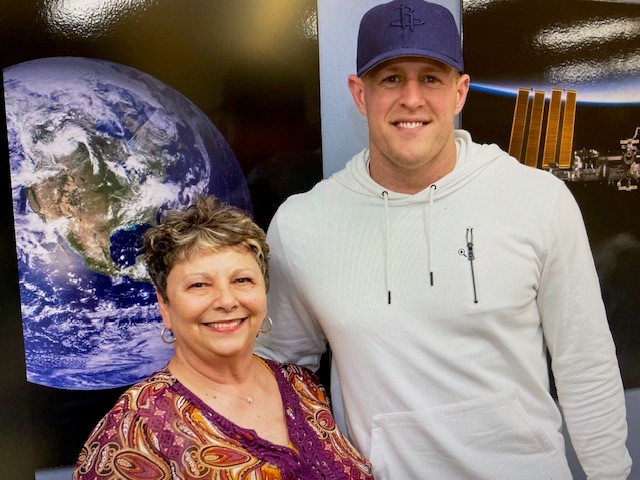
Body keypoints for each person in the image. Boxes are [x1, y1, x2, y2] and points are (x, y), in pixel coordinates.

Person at [254, 0, 633, 478]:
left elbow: (586, 363)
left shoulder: (538, 200)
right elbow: (282, 373)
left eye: (431, 77)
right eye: (391, 77)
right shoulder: (302, 224)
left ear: (459, 92)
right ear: (359, 93)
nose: (412, 98)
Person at [73, 196, 373, 480]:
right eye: (200, 285)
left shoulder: (303, 387)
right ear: (164, 306)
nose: (227, 301)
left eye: (242, 280)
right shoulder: (135, 428)